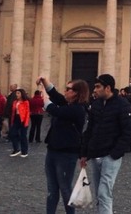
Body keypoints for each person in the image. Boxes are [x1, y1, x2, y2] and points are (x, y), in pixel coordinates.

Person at [80, 74, 131, 214]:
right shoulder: (96, 104)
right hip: (96, 153)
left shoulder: (123, 105)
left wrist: (114, 154)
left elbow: (128, 132)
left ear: (108, 88)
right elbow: (90, 129)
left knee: (104, 193)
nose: (94, 90)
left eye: (98, 87)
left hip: (110, 156)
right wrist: (84, 153)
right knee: (99, 193)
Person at [38, 76, 89, 214]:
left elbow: (54, 109)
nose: (65, 91)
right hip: (53, 150)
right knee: (52, 189)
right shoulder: (68, 104)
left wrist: (42, 93)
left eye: (68, 89)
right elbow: (54, 94)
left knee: (65, 189)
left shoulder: (78, 109)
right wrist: (44, 81)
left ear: (77, 93)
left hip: (67, 154)